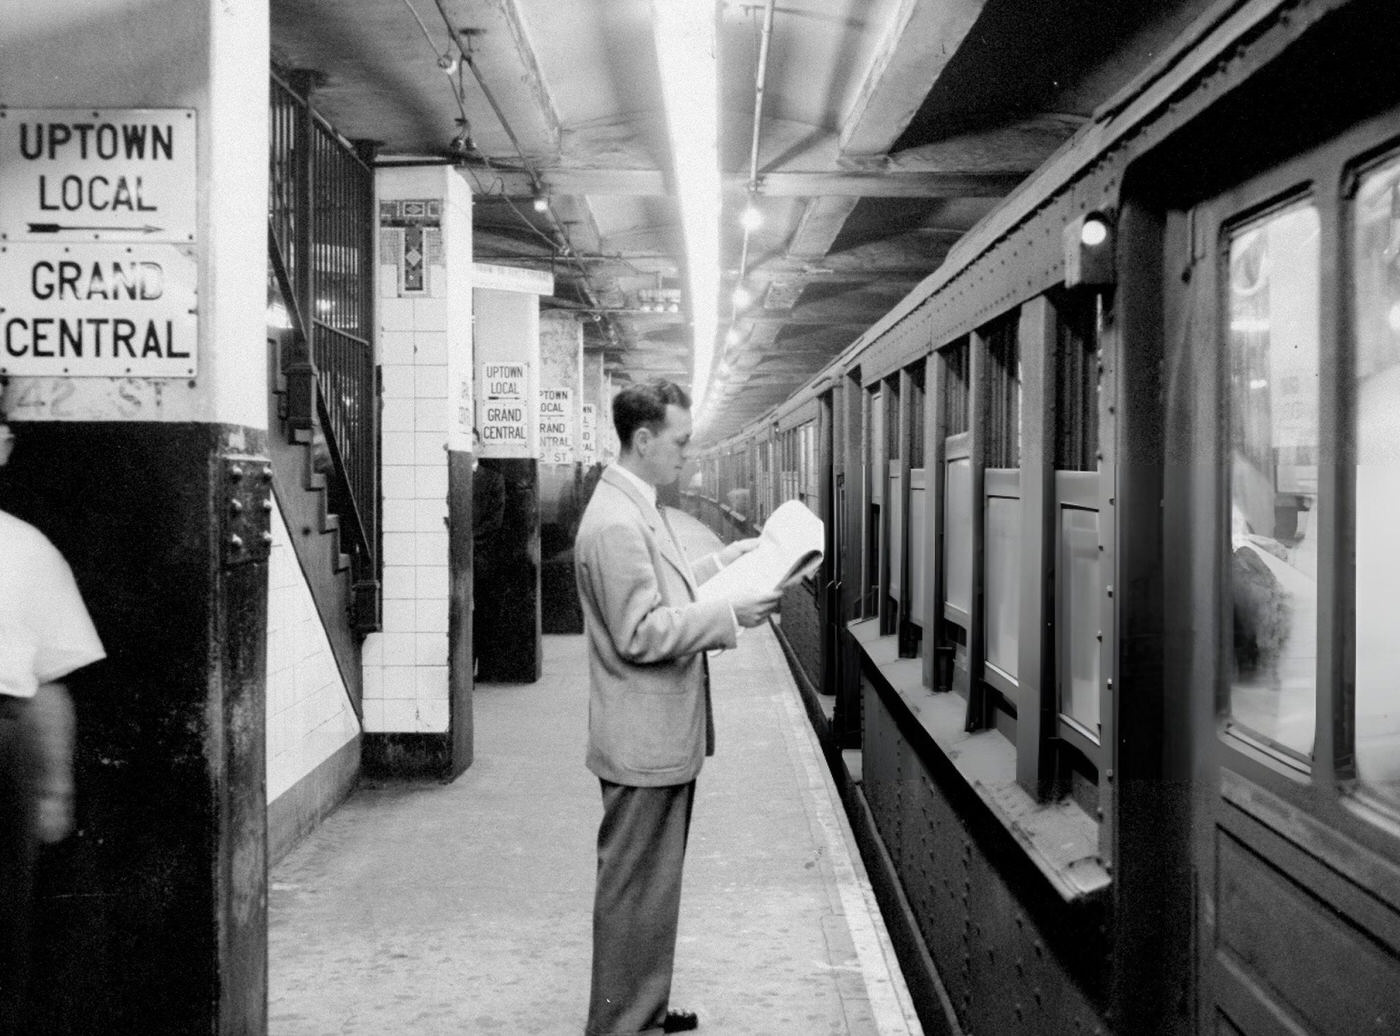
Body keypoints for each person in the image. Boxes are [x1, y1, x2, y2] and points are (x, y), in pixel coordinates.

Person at [574, 380, 781, 1035]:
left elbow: (661, 589)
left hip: (655, 735)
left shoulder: (632, 505)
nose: (686, 456)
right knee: (635, 892)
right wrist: (730, 614)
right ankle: (620, 1026)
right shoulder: (614, 521)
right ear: (643, 439)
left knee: (650, 892)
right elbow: (641, 632)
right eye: (680, 443)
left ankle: (645, 1008)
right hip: (643, 740)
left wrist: (725, 563)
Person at [0, 420, 106, 1029]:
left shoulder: (27, 549)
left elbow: (48, 683)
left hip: (6, 736)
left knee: (5, 924)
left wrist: (51, 790)